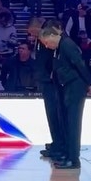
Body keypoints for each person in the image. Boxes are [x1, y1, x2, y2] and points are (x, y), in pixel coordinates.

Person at [39, 23, 91, 170]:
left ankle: (74, 160)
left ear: (52, 36)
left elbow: (80, 64)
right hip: (68, 87)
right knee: (67, 123)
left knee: (74, 123)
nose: (47, 46)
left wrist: (89, 83)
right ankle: (68, 155)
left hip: (76, 87)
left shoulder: (67, 45)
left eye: (47, 43)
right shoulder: (60, 46)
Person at [28, 17, 65, 162]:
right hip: (44, 81)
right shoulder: (40, 39)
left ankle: (60, 145)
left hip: (51, 82)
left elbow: (52, 59)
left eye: (33, 32)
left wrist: (51, 76)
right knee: (51, 115)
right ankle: (55, 143)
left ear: (38, 27)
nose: (32, 36)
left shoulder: (48, 37)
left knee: (55, 115)